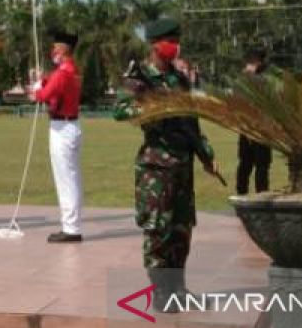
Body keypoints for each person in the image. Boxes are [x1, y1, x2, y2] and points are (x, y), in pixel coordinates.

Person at [115, 17, 219, 308]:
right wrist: (155, 108)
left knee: (182, 230)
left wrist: (206, 155)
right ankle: (161, 293)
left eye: (177, 39)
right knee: (159, 231)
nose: (176, 45)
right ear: (154, 44)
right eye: (170, 40)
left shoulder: (179, 79)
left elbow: (192, 123)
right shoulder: (140, 77)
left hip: (183, 165)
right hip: (156, 169)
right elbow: (121, 110)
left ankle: (179, 290)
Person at [32, 30, 83, 243]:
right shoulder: (70, 70)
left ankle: (70, 227)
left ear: (63, 50)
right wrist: (43, 80)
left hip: (62, 127)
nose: (53, 51)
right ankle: (71, 223)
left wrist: (36, 88)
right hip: (69, 125)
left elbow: (44, 95)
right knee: (71, 177)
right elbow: (51, 83)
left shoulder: (63, 73)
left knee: (65, 179)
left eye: (55, 48)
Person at [236, 48, 272, 195]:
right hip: (260, 128)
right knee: (260, 165)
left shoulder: (241, 81)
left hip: (246, 127)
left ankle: (241, 192)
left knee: (245, 164)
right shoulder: (262, 81)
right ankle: (261, 193)